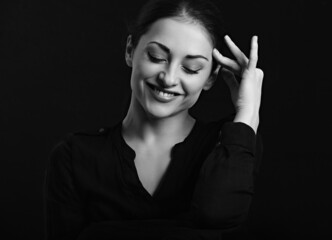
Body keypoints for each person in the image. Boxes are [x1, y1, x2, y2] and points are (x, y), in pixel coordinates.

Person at [44, 0, 264, 239]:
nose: (168, 78)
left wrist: (248, 112)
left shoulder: (231, 145)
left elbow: (218, 214)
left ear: (210, 79)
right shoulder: (73, 157)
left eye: (190, 69)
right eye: (157, 56)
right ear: (130, 50)